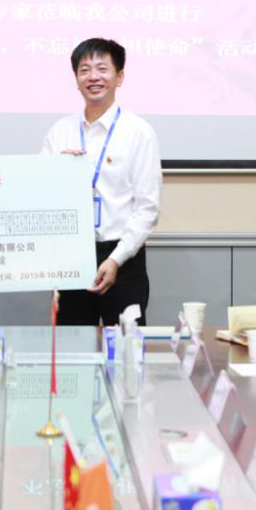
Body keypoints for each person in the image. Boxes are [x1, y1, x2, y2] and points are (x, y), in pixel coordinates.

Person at [43, 38, 162, 325]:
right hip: (71, 256)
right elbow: (42, 195)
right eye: (84, 70)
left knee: (124, 348)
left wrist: (116, 259)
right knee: (73, 346)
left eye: (102, 69)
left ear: (119, 77)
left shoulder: (138, 132)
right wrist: (60, 172)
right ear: (76, 79)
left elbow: (147, 208)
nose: (93, 77)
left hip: (123, 258)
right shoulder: (60, 132)